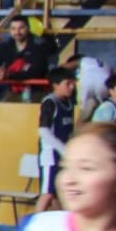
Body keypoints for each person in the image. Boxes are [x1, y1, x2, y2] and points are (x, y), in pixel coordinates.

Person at [36, 68, 77, 213]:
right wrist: (63, 149)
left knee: (56, 195)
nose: (72, 86)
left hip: (63, 155)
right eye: (68, 83)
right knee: (47, 194)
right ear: (55, 85)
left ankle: (60, 227)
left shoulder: (69, 103)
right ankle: (31, 228)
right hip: (50, 156)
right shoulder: (50, 102)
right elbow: (43, 131)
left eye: (73, 83)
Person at [0, 15, 52, 97]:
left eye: (21, 28)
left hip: (36, 90)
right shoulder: (4, 45)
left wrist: (9, 75)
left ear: (28, 28)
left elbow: (37, 72)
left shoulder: (39, 45)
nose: (17, 32)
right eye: (13, 29)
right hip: (12, 90)